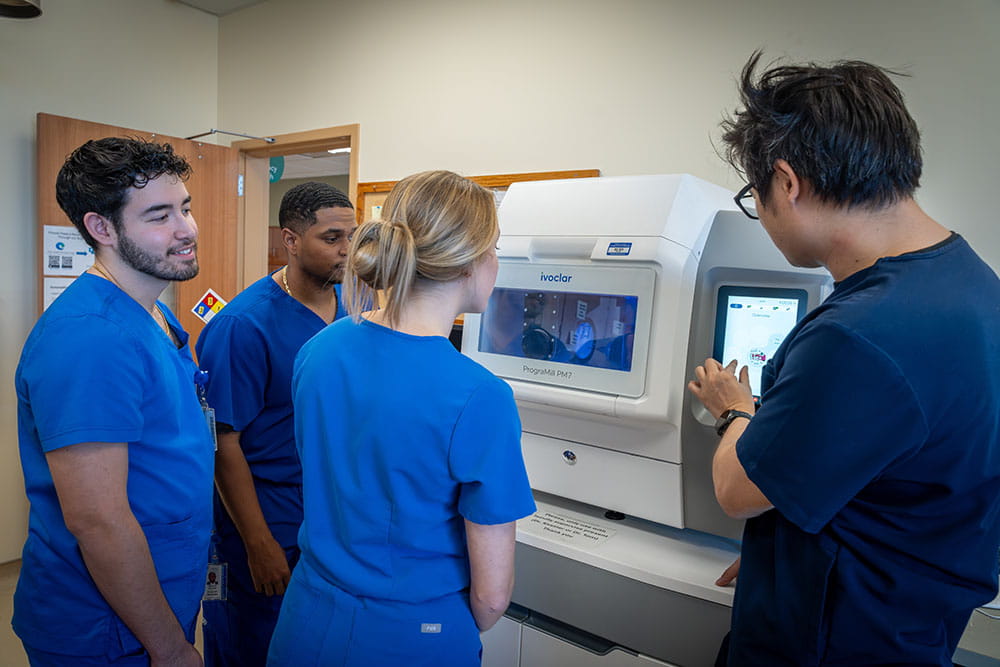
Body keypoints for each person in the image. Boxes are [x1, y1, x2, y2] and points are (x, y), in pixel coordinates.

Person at [688, 52, 1000, 665]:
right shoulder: (973, 285)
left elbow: (736, 488)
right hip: (911, 622)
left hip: (827, 640)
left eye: (757, 197)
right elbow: (894, 468)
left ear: (786, 182)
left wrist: (735, 411)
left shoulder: (857, 335)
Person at [267, 170, 537, 666]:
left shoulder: (319, 349)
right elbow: (493, 599)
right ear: (468, 263)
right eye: (493, 248)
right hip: (410, 634)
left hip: (306, 620)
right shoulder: (479, 396)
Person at [13, 137, 213, 666]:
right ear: (101, 228)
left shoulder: (152, 315)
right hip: (104, 628)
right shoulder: (90, 339)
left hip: (156, 597)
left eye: (186, 208)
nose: (187, 229)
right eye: (159, 215)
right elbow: (97, 520)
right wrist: (171, 650)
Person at [195, 181, 355, 666]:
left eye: (352, 237)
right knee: (252, 645)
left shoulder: (348, 311)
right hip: (265, 524)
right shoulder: (245, 325)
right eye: (331, 238)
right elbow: (223, 442)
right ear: (290, 240)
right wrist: (258, 544)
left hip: (323, 520)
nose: (346, 251)